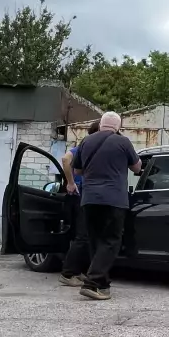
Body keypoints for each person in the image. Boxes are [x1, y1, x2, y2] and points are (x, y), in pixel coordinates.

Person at [73, 111, 141, 300]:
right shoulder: (123, 142)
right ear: (118, 127)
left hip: (89, 199)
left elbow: (77, 170)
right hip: (114, 199)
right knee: (111, 241)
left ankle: (102, 285)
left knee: (96, 241)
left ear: (101, 124)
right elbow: (137, 167)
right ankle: (92, 282)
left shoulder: (86, 141)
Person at [57, 120, 99, 286]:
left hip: (85, 196)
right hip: (80, 195)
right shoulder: (83, 147)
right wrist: (71, 182)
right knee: (82, 236)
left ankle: (77, 271)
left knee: (85, 236)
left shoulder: (90, 148)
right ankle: (67, 274)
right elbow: (65, 159)